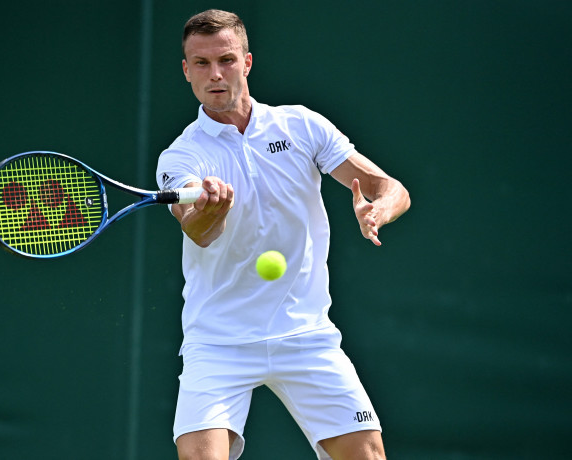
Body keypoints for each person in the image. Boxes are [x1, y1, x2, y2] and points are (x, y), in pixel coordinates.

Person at [155, 9, 410, 460]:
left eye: (226, 60)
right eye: (201, 63)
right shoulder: (182, 156)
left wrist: (379, 210)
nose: (215, 74)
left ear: (247, 63)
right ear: (186, 71)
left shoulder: (302, 126)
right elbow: (196, 231)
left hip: (306, 333)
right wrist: (212, 210)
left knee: (369, 455)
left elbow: (389, 187)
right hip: (219, 340)